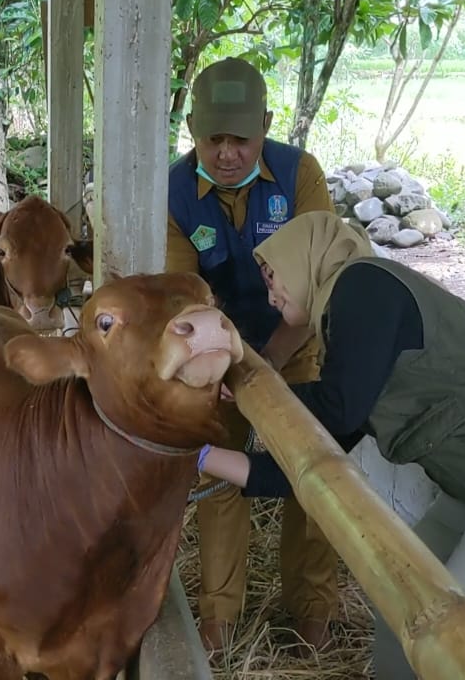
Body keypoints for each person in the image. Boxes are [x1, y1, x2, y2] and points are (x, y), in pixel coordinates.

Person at [199, 211, 465, 678]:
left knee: (463, 653)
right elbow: (316, 450)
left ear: (303, 257)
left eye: (271, 275)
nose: (271, 294)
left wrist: (247, 393)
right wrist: (199, 457)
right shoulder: (347, 325)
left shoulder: (364, 286)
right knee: (404, 603)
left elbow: (335, 411)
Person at [165, 56, 341, 655]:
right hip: (219, 354)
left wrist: (267, 356)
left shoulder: (299, 177)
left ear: (265, 125)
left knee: (313, 471)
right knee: (220, 471)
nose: (228, 153)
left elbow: (319, 281)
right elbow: (184, 297)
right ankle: (219, 616)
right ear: (192, 129)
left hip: (296, 344)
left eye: (241, 138)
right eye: (213, 138)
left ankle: (312, 609)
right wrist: (219, 363)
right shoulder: (175, 193)